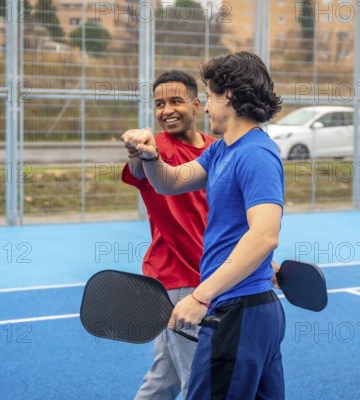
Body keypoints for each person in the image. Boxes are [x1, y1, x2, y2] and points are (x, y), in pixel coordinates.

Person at [122, 51, 285, 399]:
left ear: (229, 96)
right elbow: (171, 181)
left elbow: (265, 234)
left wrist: (200, 295)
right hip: (241, 308)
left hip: (237, 311)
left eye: (209, 97)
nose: (207, 106)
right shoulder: (222, 150)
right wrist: (151, 155)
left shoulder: (256, 153)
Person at [121, 70, 216, 400]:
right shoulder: (155, 149)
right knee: (199, 379)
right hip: (179, 280)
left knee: (164, 379)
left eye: (176, 101)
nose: (166, 110)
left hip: (212, 276)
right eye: (159, 103)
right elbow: (138, 167)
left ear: (196, 103)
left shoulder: (216, 150)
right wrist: (138, 149)